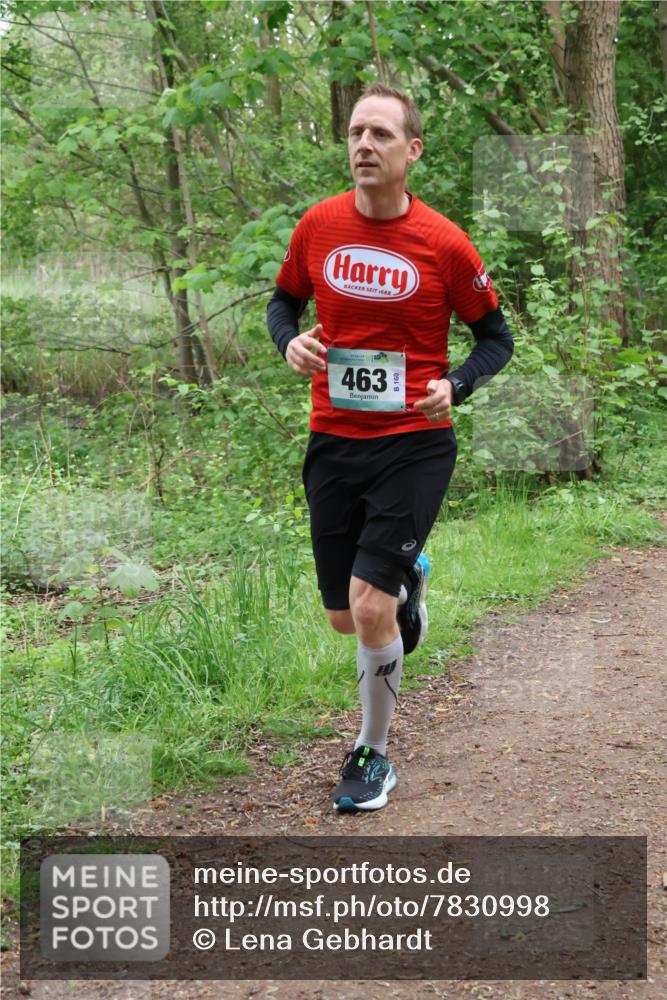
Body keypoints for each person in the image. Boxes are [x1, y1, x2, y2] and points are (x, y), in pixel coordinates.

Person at [266, 83, 513, 813]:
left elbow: (494, 338)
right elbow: (283, 302)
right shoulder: (318, 226)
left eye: (379, 134)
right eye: (353, 133)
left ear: (412, 151)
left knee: (369, 605)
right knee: (345, 615)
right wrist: (291, 343)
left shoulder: (442, 242)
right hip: (332, 441)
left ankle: (371, 754)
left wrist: (456, 386)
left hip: (413, 444)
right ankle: (410, 584)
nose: (362, 145)